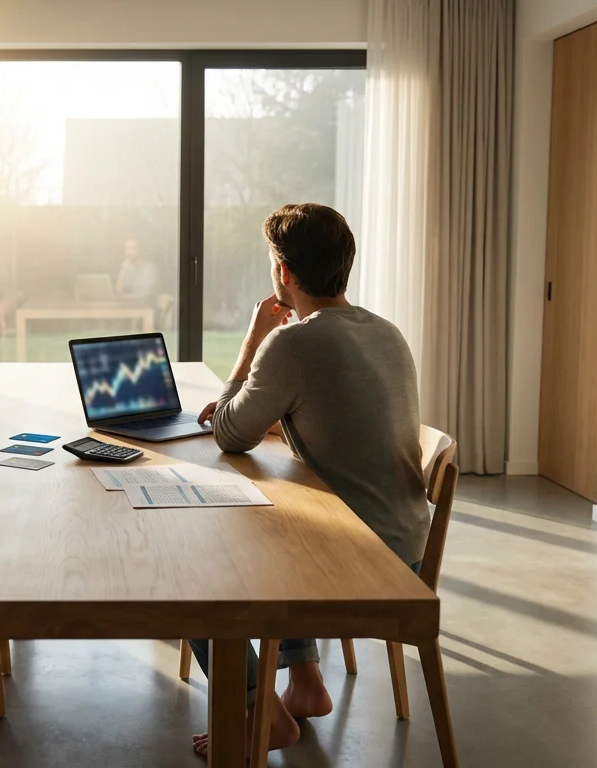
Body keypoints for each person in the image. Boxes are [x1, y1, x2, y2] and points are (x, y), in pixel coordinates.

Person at [188, 203, 428, 757]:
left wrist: (253, 339)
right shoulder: (385, 331)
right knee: (281, 521)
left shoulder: (292, 343)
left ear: (284, 273)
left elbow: (229, 432)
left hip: (358, 564)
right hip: (405, 554)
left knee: (193, 575)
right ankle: (305, 683)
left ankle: (259, 713)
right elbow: (338, 417)